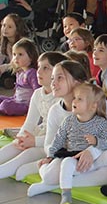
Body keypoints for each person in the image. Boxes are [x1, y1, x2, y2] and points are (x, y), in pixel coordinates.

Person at [25, 60, 107, 197]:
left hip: (97, 158)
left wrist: (91, 151)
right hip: (69, 157)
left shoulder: (97, 105)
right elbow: (49, 144)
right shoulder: (55, 110)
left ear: (76, 83)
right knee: (49, 176)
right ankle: (51, 180)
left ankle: (53, 186)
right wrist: (62, 151)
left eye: (60, 78)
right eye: (53, 78)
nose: (53, 82)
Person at [43, 83, 107, 204]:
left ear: (93, 106)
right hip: (73, 156)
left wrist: (96, 141)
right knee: (66, 163)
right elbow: (58, 139)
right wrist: (50, 155)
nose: (74, 101)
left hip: (93, 160)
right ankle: (66, 194)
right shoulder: (69, 121)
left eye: (79, 99)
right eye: (75, 97)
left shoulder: (100, 122)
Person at [0, 51, 67, 180]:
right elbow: (29, 123)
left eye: (46, 68)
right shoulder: (37, 94)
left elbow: (61, 136)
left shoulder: (62, 98)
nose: (39, 71)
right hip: (41, 133)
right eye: (39, 66)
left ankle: (4, 170)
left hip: (54, 142)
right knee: (14, 146)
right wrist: (21, 138)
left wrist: (35, 142)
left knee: (28, 154)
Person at [0, 38, 39, 116]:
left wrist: (33, 109)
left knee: (5, 106)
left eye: (20, 54)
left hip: (25, 106)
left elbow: (37, 91)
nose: (16, 58)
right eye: (14, 54)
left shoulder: (32, 73)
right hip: (16, 100)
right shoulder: (20, 71)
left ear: (31, 57)